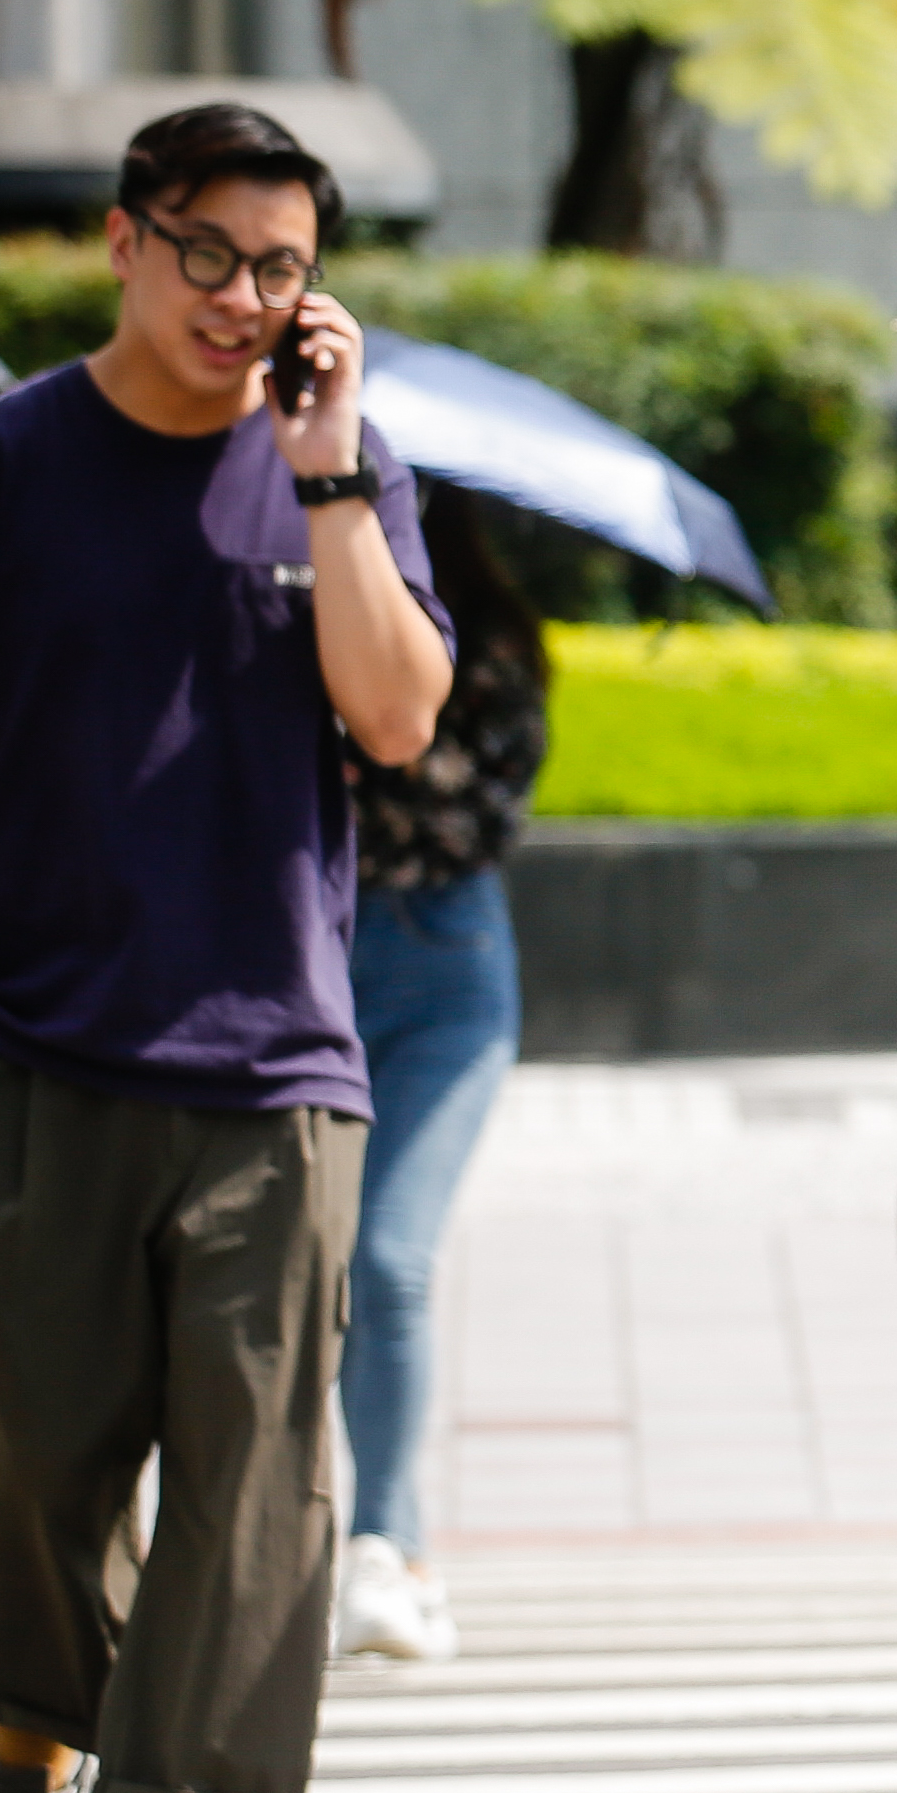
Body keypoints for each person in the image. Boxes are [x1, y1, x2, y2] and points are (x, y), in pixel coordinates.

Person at [0, 102, 453, 1793]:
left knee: (259, 1470)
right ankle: (33, 1760)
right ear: (127, 244)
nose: (242, 296)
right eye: (208, 252)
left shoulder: (344, 473)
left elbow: (394, 714)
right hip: (27, 1055)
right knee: (9, 1461)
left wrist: (325, 480)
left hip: (278, 1067)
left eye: (280, 264)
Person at [332, 488, 553, 1669]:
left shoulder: (497, 652)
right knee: (289, 1270)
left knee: (388, 1257)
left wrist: (370, 704)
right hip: (301, 956)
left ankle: (389, 1543)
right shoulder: (285, 610)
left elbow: (468, 813)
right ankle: (307, 1539)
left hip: (443, 973)